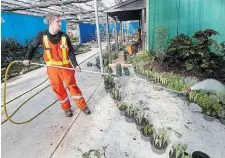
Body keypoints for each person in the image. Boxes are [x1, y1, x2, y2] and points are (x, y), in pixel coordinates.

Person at [23, 12, 91, 117]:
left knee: (72, 86)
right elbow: (32, 46)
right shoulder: (42, 35)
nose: (60, 24)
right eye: (58, 21)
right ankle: (66, 108)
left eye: (60, 21)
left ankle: (83, 106)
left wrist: (75, 65)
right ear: (50, 22)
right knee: (58, 88)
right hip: (52, 69)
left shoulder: (64, 36)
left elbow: (71, 51)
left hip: (66, 67)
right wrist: (27, 58)